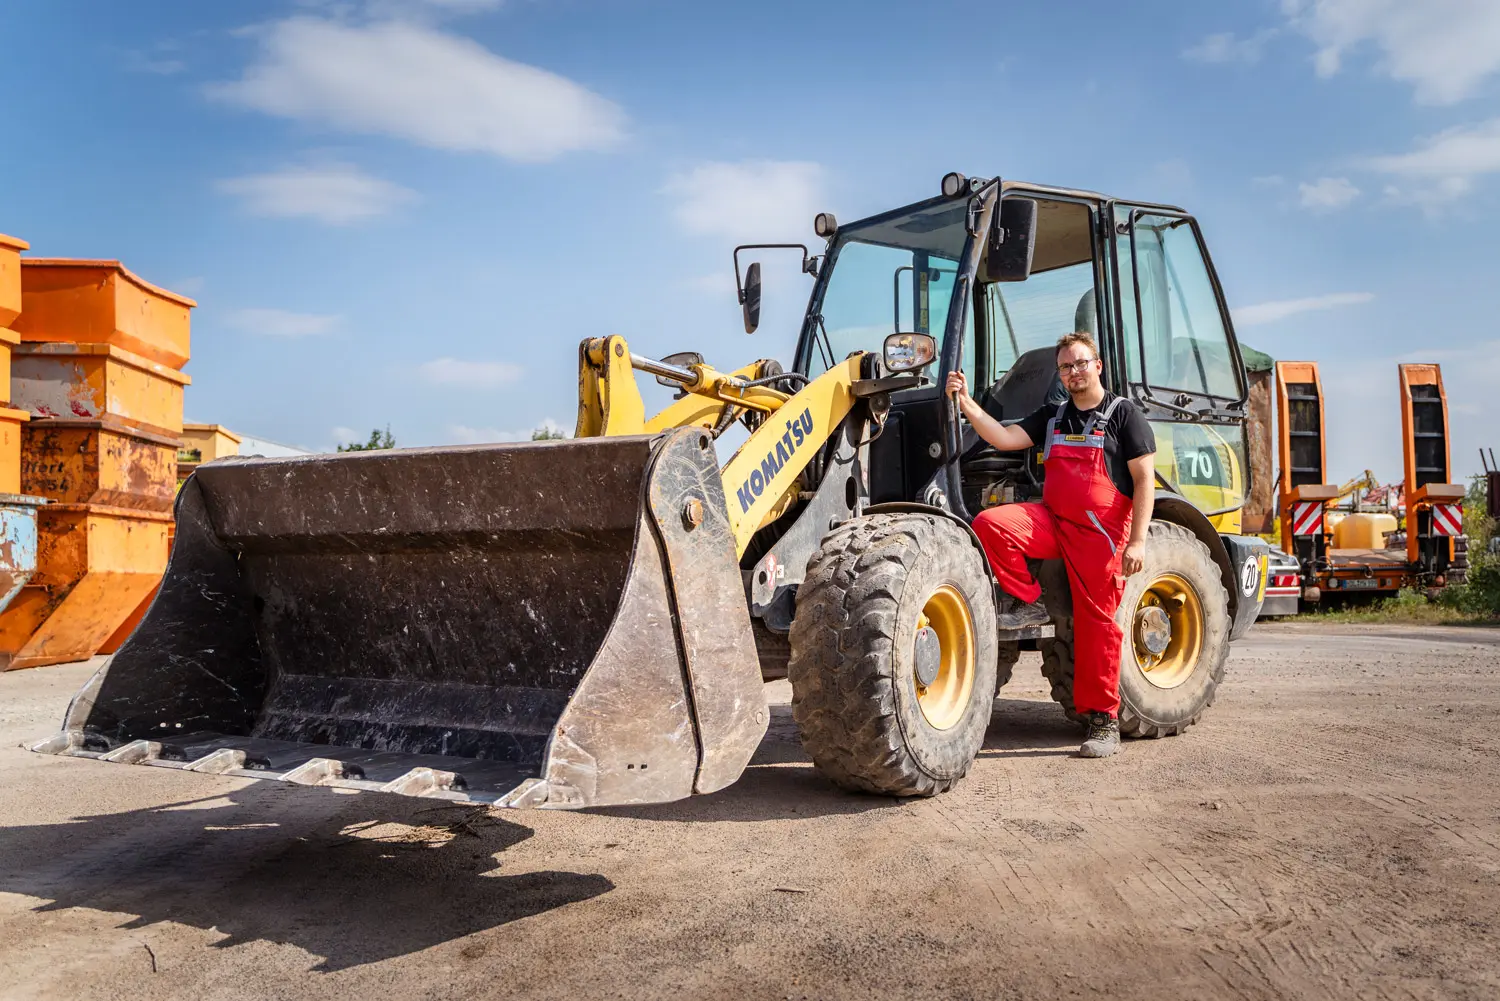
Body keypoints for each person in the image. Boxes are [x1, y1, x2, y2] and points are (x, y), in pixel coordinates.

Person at [945, 332, 1156, 758]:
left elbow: (1144, 480)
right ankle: (1030, 601)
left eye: (1080, 363)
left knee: (1098, 626)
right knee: (989, 524)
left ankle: (1103, 721)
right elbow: (1003, 440)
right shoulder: (1053, 416)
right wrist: (966, 403)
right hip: (1053, 521)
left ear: (1097, 365)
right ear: (1059, 373)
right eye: (1066, 367)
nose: (1074, 372)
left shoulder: (1123, 415)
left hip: (1101, 536)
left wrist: (1137, 542)